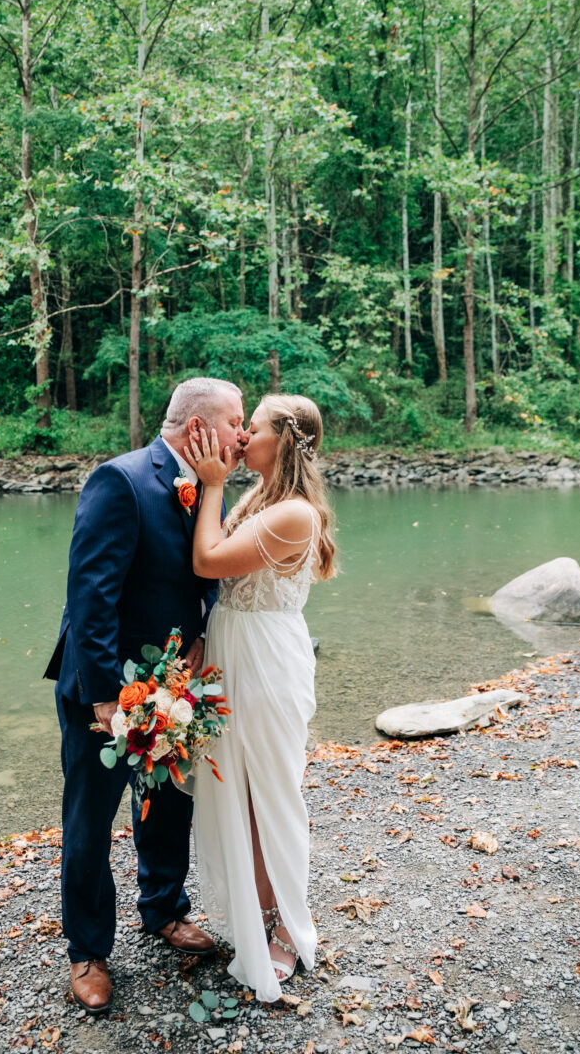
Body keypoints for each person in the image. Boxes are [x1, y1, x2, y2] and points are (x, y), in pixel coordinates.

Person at [43, 377, 247, 1016]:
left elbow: (203, 576)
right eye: (236, 421)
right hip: (103, 690)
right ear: (199, 429)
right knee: (90, 820)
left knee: (166, 805)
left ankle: (163, 910)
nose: (244, 435)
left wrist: (196, 636)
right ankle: (88, 952)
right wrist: (107, 699)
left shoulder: (206, 488)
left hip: (171, 684)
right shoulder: (121, 481)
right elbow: (90, 599)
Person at [183, 393, 336, 1003]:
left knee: (271, 796)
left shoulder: (295, 513)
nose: (242, 435)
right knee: (239, 797)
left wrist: (212, 482)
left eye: (253, 427)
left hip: (267, 665)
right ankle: (254, 916)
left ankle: (284, 930)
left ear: (285, 440)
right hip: (231, 655)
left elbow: (208, 560)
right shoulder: (262, 497)